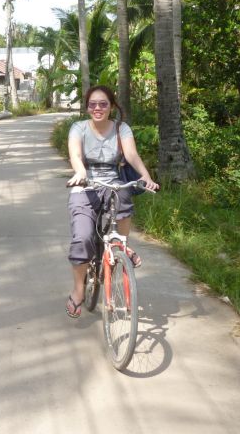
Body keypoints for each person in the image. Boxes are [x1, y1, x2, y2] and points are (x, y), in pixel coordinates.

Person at [64, 85, 159, 318]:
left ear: (111, 106)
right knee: (82, 238)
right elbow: (75, 155)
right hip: (84, 186)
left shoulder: (121, 128)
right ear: (87, 107)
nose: (98, 108)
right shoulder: (78, 128)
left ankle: (122, 245)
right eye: (93, 104)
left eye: (103, 104)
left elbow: (131, 155)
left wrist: (145, 176)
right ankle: (78, 291)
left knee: (124, 196)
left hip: (113, 183)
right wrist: (80, 172)